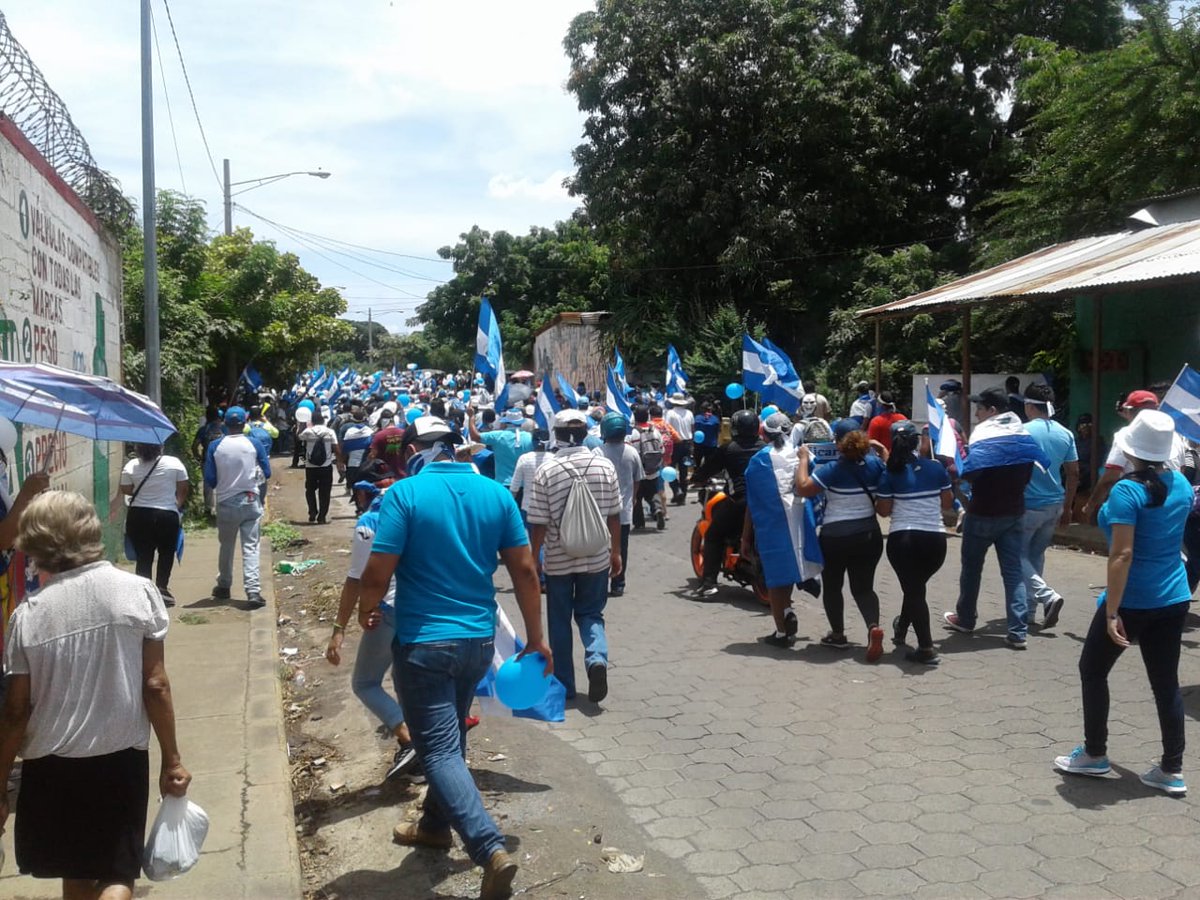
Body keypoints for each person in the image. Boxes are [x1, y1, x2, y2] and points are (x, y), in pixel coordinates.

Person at [357, 416, 549, 899]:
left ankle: (489, 848)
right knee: (451, 737)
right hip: (477, 643)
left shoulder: (405, 494)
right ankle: (434, 826)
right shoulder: (496, 495)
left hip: (424, 643)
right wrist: (536, 639)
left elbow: (378, 570)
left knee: (438, 749)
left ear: (416, 451)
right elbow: (526, 571)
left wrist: (365, 609)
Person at [0, 491, 191, 900]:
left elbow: (15, 712)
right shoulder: (137, 592)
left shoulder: (28, 617)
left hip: (51, 766)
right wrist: (172, 759)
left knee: (76, 871)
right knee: (116, 872)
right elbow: (155, 684)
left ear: (35, 544)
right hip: (119, 758)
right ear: (90, 530)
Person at [1054, 411, 1191, 796]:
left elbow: (1122, 555)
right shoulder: (1181, 483)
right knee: (1165, 683)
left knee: (1092, 670)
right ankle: (1172, 770)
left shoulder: (1127, 491)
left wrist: (1112, 611)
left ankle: (1094, 753)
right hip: (1174, 595)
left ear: (1131, 450)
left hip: (1132, 599)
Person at [325, 479, 419, 781]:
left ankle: (409, 739)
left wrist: (342, 626)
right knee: (405, 678)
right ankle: (424, 753)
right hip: (422, 607)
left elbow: (359, 578)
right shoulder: (421, 515)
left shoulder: (370, 522)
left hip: (387, 610)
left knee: (365, 683)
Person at [942, 387, 1048, 649]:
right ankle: (1018, 631)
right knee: (1013, 572)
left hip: (983, 513)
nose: (976, 414)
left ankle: (966, 619)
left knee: (971, 569)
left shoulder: (984, 436)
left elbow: (971, 473)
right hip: (1014, 512)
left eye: (980, 408)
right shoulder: (1022, 436)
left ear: (992, 410)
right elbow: (1030, 473)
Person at [528, 410, 621, 704]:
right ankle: (596, 658)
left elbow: (538, 522)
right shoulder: (604, 466)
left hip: (559, 560)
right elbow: (615, 515)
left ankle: (564, 685)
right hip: (597, 556)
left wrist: (534, 558)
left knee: (559, 620)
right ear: (585, 434)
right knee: (591, 614)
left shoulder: (547, 471)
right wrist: (616, 552)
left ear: (556, 435)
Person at [797, 419, 886, 661]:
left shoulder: (832, 469)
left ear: (837, 443)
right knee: (864, 588)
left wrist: (803, 459)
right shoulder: (875, 464)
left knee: (833, 586)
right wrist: (882, 452)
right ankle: (873, 627)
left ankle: (837, 635)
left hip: (835, 538)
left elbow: (803, 487)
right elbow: (889, 476)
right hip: (869, 536)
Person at [876, 422, 953, 665]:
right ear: (916, 441)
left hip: (903, 541)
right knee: (915, 588)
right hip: (935, 541)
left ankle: (926, 648)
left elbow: (884, 511)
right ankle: (901, 628)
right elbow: (947, 504)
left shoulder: (889, 473)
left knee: (914, 590)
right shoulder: (936, 468)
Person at [744, 413, 815, 646]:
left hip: (771, 526)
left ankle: (782, 630)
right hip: (800, 521)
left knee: (775, 578)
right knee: (789, 569)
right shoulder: (802, 455)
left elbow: (752, 502)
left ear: (764, 434)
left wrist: (745, 537)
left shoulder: (758, 461)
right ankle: (786, 611)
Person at [1021, 384, 1079, 628]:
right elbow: (1074, 473)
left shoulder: (1021, 431)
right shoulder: (1065, 434)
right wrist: (1069, 507)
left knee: (1015, 555)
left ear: (1029, 406)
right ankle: (1029, 612)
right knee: (1036, 556)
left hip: (1027, 505)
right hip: (1055, 504)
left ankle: (1047, 596)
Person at [691, 410, 765, 598]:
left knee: (713, 535)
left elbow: (708, 469)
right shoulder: (766, 448)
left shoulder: (729, 449)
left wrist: (696, 479)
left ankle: (709, 584)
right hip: (765, 502)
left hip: (740, 502)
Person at [204, 405, 269, 608]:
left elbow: (210, 479)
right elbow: (266, 472)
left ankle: (224, 586)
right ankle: (253, 591)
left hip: (226, 502)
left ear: (225, 423)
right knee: (251, 547)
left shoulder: (215, 446)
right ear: (245, 422)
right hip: (250, 500)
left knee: (226, 546)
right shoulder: (254, 444)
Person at [121, 443, 189, 606]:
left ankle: (144, 593)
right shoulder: (174, 463)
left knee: (143, 555)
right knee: (166, 553)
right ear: (160, 447)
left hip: (139, 515)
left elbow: (126, 489)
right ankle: (162, 589)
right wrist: (177, 505)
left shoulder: (131, 465)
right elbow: (183, 487)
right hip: (167, 514)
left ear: (138, 449)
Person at [594, 412, 645, 597]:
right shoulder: (632, 452)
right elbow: (638, 479)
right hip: (624, 511)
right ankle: (618, 583)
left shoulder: (598, 452)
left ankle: (599, 582)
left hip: (601, 511)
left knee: (600, 548)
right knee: (621, 548)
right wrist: (633, 496)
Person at [469, 407, 533, 487]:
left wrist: (471, 417)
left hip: (503, 484)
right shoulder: (530, 437)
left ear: (505, 422)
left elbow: (474, 437)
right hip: (524, 484)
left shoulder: (498, 436)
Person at [628, 405, 667, 530]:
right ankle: (658, 509)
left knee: (637, 497)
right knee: (653, 493)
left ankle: (639, 523)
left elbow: (632, 453)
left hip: (638, 472)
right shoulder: (655, 431)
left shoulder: (633, 433)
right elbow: (662, 449)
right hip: (653, 470)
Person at [300, 409, 341, 525]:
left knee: (310, 490)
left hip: (310, 466)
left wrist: (303, 425)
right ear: (323, 421)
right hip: (326, 466)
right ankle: (322, 517)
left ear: (312, 421)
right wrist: (340, 461)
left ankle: (312, 512)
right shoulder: (330, 432)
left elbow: (298, 437)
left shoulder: (308, 431)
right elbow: (336, 448)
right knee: (325, 492)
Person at [191, 406, 224, 515]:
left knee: (208, 485)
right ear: (218, 416)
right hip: (223, 460)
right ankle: (222, 507)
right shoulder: (224, 428)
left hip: (207, 460)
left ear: (207, 416)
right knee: (223, 483)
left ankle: (208, 509)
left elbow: (194, 446)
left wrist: (198, 457)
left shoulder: (203, 429)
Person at [665, 393, 694, 505]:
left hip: (675, 444)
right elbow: (692, 429)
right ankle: (682, 495)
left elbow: (667, 429)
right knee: (684, 470)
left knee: (670, 469)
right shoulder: (689, 413)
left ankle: (677, 490)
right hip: (687, 443)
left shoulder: (670, 413)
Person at [339, 407, 375, 496]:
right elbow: (372, 448)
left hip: (352, 463)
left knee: (354, 484)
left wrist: (341, 461)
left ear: (352, 418)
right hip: (366, 463)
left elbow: (344, 448)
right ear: (363, 418)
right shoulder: (369, 430)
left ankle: (350, 491)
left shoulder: (349, 431)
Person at [369, 413, 409, 479]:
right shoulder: (404, 433)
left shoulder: (379, 436)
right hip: (405, 474)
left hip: (386, 476)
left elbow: (372, 455)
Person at [693, 402, 721, 479]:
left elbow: (693, 429)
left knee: (697, 461)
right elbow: (718, 431)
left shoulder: (697, 418)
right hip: (711, 444)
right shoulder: (715, 419)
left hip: (698, 443)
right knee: (709, 462)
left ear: (701, 409)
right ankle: (706, 478)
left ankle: (696, 476)